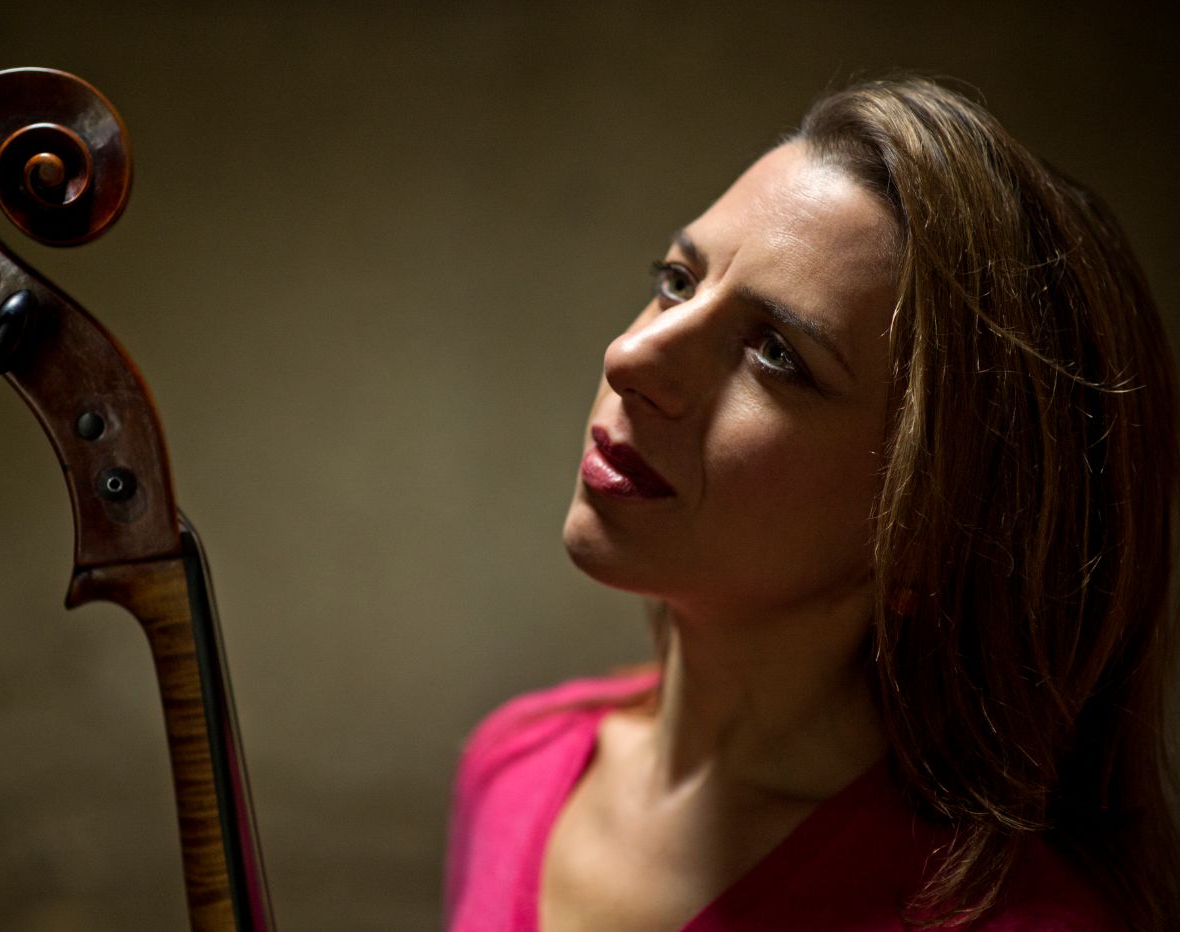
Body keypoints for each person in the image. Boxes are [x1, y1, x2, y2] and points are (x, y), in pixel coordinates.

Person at [444, 76, 1180, 931]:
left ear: (930, 526)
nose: (631, 356)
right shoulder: (515, 764)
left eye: (777, 354)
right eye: (678, 281)